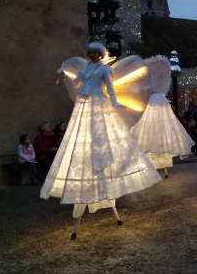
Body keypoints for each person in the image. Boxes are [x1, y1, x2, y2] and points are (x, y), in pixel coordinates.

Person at [42, 42, 161, 237]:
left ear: (101, 54)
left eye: (96, 53)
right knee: (83, 143)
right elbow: (76, 83)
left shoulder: (104, 70)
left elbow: (110, 89)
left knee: (101, 141)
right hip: (83, 107)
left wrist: (114, 103)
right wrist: (64, 75)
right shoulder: (85, 68)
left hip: (99, 105)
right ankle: (90, 190)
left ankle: (103, 176)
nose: (93, 55)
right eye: (90, 53)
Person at [131, 55, 194, 178]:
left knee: (150, 132)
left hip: (153, 101)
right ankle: (154, 166)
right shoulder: (162, 78)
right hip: (160, 101)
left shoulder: (151, 79)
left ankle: (150, 165)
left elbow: (144, 88)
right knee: (158, 131)